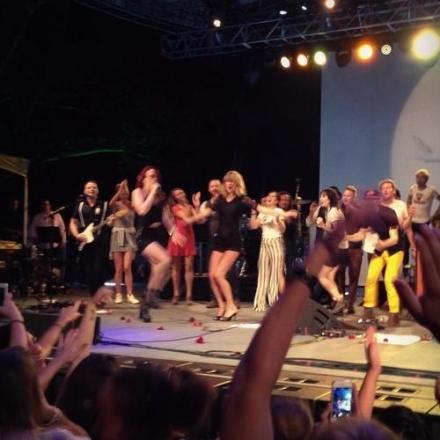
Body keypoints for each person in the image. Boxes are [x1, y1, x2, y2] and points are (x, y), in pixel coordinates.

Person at [131, 166, 184, 322]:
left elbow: (166, 218)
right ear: (143, 179)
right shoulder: (137, 192)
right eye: (150, 176)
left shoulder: (160, 196)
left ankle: (148, 300)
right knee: (165, 259)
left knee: (164, 268)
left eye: (155, 176)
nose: (153, 179)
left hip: (158, 234)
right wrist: (152, 192)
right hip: (143, 234)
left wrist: (174, 232)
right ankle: (148, 298)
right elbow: (142, 210)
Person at [204, 170, 253, 321]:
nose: (229, 184)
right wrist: (192, 218)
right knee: (212, 275)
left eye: (232, 181)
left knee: (219, 275)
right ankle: (221, 306)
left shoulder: (242, 200)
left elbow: (257, 208)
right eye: (227, 181)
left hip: (233, 241)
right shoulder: (220, 199)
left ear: (237, 183)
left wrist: (280, 213)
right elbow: (205, 213)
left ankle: (231, 305)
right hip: (219, 240)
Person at [69, 180, 110, 296]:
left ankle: (99, 294)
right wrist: (76, 235)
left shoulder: (104, 205)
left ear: (98, 190)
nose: (92, 189)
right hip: (85, 241)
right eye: (89, 187)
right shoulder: (80, 205)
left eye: (94, 187)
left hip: (101, 240)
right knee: (88, 269)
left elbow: (110, 222)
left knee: (99, 268)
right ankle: (94, 294)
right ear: (84, 191)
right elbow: (73, 222)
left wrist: (111, 222)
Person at [167, 187, 206, 305]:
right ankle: (176, 294)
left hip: (189, 237)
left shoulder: (189, 207)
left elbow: (200, 221)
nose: (181, 194)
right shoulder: (174, 207)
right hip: (178, 238)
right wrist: (199, 214)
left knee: (189, 266)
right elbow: (187, 219)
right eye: (178, 194)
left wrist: (197, 207)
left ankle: (189, 295)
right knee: (176, 267)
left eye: (181, 192)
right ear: (174, 197)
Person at [251, 191, 286, 312]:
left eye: (272, 197)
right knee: (263, 272)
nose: (269, 198)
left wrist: (278, 222)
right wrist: (254, 214)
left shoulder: (279, 211)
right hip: (265, 242)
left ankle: (274, 301)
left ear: (276, 200)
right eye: (268, 196)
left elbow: (283, 229)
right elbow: (254, 226)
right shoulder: (263, 212)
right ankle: (259, 302)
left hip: (275, 241)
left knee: (276, 273)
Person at [314, 188, 348, 314]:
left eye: (324, 196)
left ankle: (339, 299)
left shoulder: (333, 212)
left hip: (337, 249)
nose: (321, 199)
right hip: (339, 249)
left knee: (322, 276)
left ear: (330, 199)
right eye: (321, 196)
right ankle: (338, 301)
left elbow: (338, 233)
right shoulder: (330, 211)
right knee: (329, 276)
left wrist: (323, 225)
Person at [109, 180, 138, 304]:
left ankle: (130, 294)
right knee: (119, 268)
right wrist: (120, 189)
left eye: (126, 190)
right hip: (117, 236)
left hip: (129, 237)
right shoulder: (116, 204)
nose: (124, 193)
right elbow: (110, 203)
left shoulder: (132, 205)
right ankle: (118, 294)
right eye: (122, 191)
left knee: (127, 267)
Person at [341, 186, 364, 314]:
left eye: (348, 196)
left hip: (355, 248)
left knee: (354, 277)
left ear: (354, 197)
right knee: (339, 276)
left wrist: (349, 237)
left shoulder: (359, 212)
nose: (345, 198)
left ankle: (350, 304)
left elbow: (362, 232)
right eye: (344, 195)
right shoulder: (338, 210)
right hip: (341, 249)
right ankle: (339, 302)